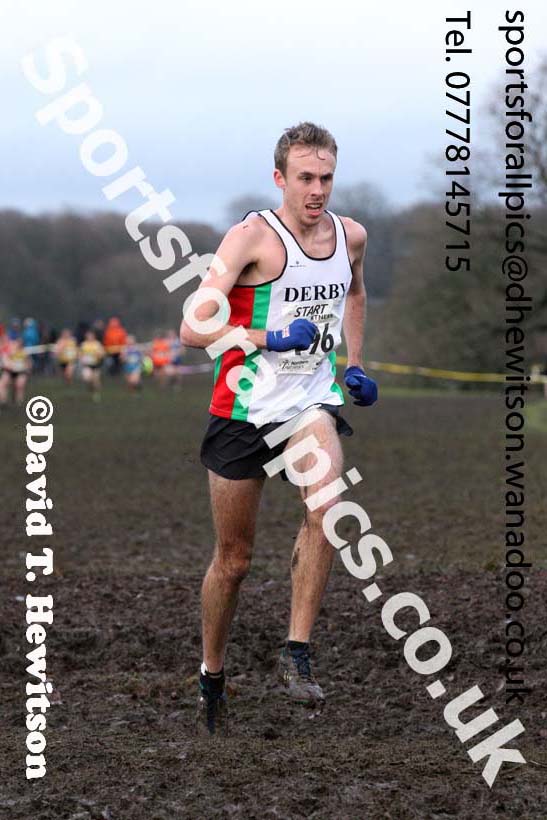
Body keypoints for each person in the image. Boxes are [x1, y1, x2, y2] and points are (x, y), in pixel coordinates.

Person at [179, 122, 378, 735]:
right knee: (234, 560)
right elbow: (192, 328)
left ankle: (296, 651)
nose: (317, 190)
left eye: (326, 177)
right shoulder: (251, 237)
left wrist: (355, 362)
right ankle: (213, 671)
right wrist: (268, 337)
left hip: (309, 402)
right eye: (305, 178)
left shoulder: (352, 235)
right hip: (241, 408)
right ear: (280, 178)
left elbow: (355, 294)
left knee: (329, 507)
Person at [0, 337, 31, 407]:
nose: (16, 345)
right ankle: (3, 401)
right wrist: (9, 365)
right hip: (9, 371)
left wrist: (27, 368)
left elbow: (28, 363)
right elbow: (5, 361)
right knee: (2, 384)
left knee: (20, 385)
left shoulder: (24, 352)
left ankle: (19, 402)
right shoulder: (9, 351)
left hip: (21, 371)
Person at [79, 330, 105, 401]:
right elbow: (80, 354)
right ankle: (91, 387)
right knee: (86, 378)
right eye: (88, 336)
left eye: (91, 336)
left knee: (96, 381)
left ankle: (96, 394)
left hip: (96, 365)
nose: (90, 337)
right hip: (87, 365)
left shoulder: (97, 344)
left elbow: (102, 353)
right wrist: (82, 359)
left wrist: (99, 355)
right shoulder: (84, 344)